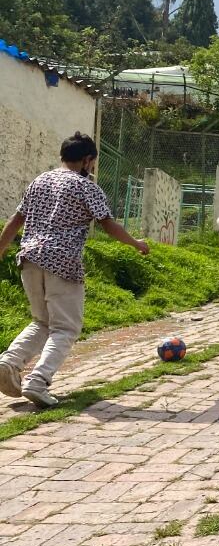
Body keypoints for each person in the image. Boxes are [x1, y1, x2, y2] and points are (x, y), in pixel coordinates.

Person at [0, 133, 150, 407]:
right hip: (62, 261)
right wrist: (135, 243)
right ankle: (38, 381)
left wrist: (0, 248)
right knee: (66, 328)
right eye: (92, 163)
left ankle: (8, 362)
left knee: (41, 322)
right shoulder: (86, 187)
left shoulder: (40, 181)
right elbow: (107, 224)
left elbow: (16, 218)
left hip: (30, 258)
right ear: (87, 160)